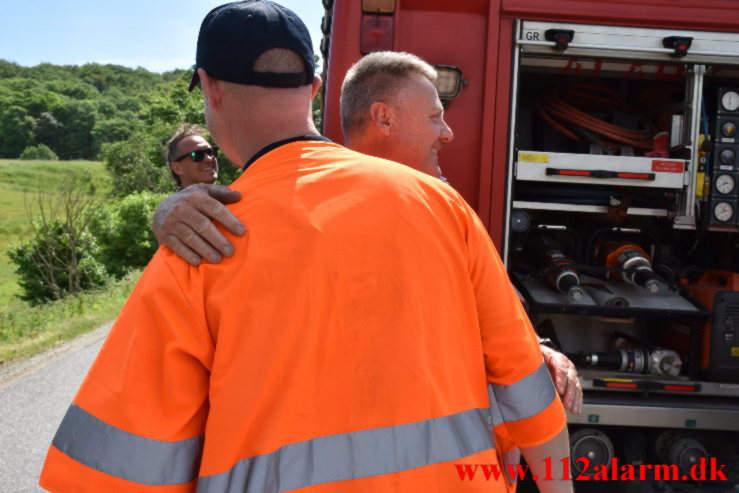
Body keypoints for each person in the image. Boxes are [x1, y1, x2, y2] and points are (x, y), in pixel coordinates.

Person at [40, 2, 572, 492]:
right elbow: (527, 387)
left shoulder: (201, 240)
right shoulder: (441, 205)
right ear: (315, 88)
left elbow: (117, 472)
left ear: (210, 88)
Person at [152, 53, 584, 417]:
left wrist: (538, 349)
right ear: (384, 118)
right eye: (435, 118)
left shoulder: (446, 205)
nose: (448, 133)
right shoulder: (302, 204)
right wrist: (170, 209)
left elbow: (493, 307)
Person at [165, 123, 219, 188]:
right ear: (177, 168)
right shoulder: (180, 198)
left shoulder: (230, 196)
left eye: (210, 152)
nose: (209, 159)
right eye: (198, 155)